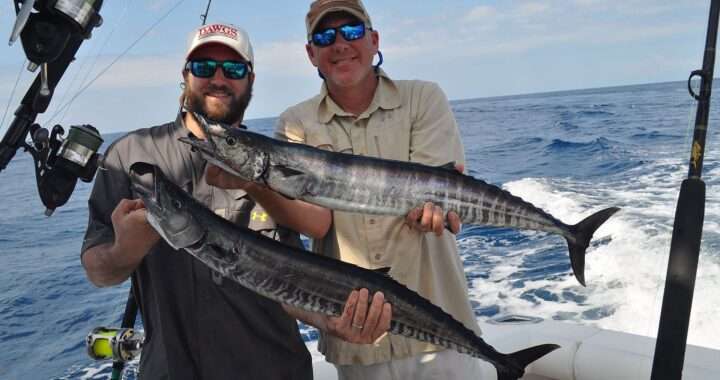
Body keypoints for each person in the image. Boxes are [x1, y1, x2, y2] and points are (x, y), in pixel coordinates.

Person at [81, 22, 391, 379]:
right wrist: (125, 250)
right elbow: (98, 271)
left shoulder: (277, 163)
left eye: (232, 69)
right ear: (185, 76)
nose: (217, 78)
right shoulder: (129, 155)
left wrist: (330, 318)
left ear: (251, 81)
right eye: (203, 67)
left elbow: (289, 282)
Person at [273, 1, 485, 379]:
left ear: (374, 40)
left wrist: (435, 212)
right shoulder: (295, 123)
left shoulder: (423, 98)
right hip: (355, 337)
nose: (339, 44)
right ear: (311, 54)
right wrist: (253, 185)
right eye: (325, 36)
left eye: (351, 32)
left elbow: (436, 198)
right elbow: (316, 224)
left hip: (442, 333)